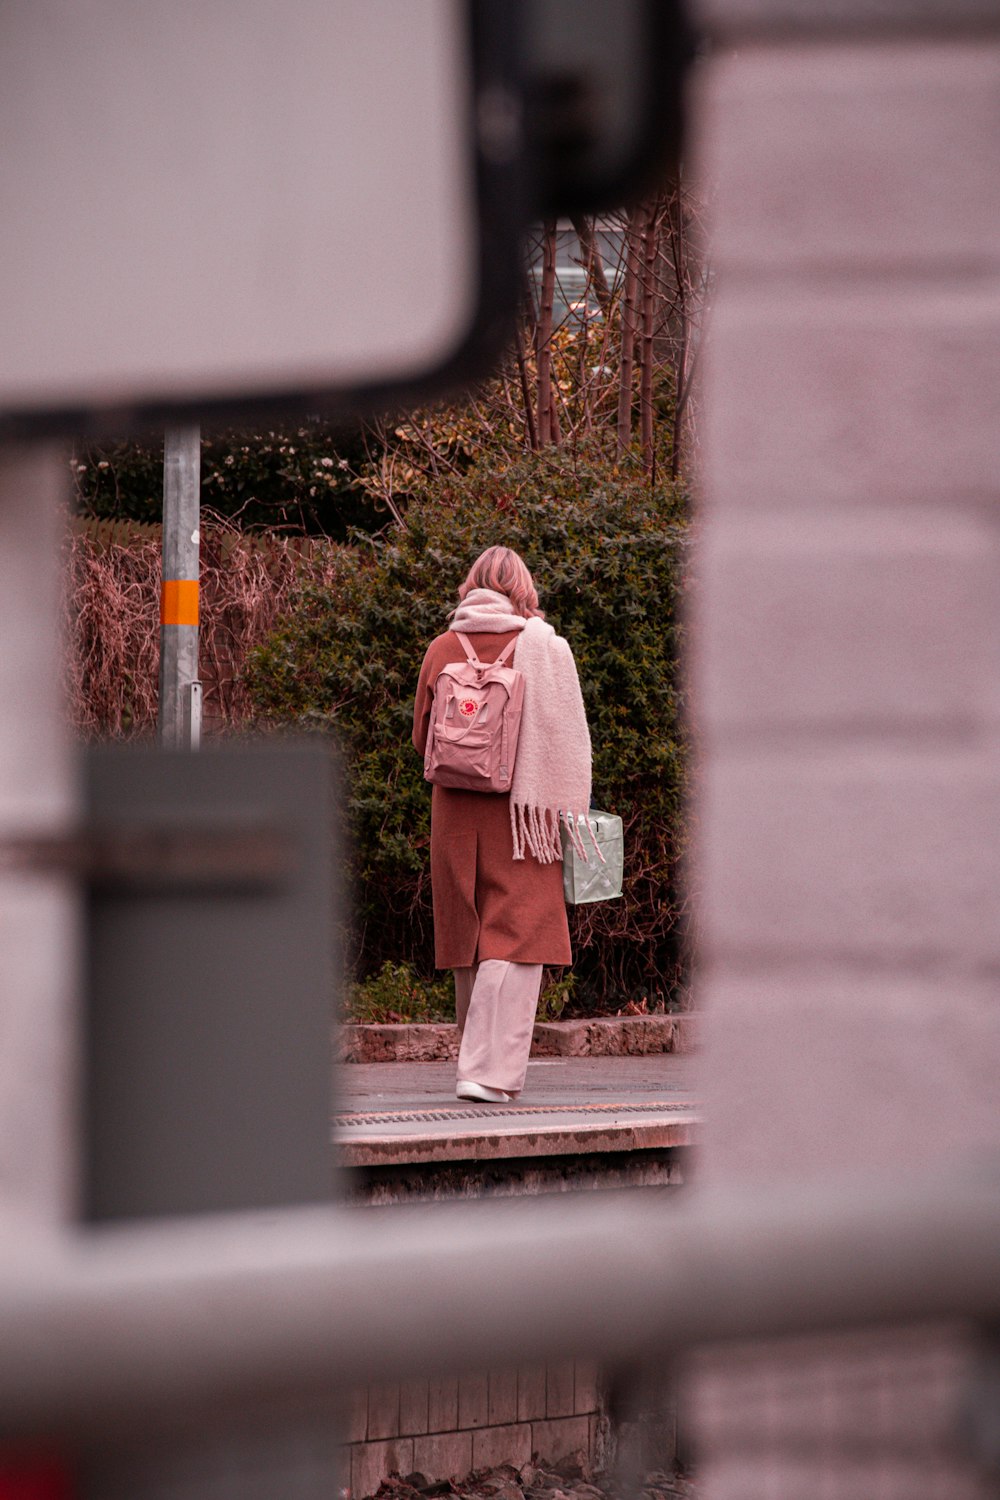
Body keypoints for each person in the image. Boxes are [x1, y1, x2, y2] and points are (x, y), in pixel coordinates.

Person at [412, 545, 594, 1103]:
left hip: (456, 813)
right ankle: (486, 1073)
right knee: (516, 939)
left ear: (471, 587)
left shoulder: (442, 646)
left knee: (472, 937)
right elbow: (568, 742)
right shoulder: (544, 648)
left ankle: (472, 1059)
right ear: (523, 589)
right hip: (524, 816)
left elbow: (422, 739)